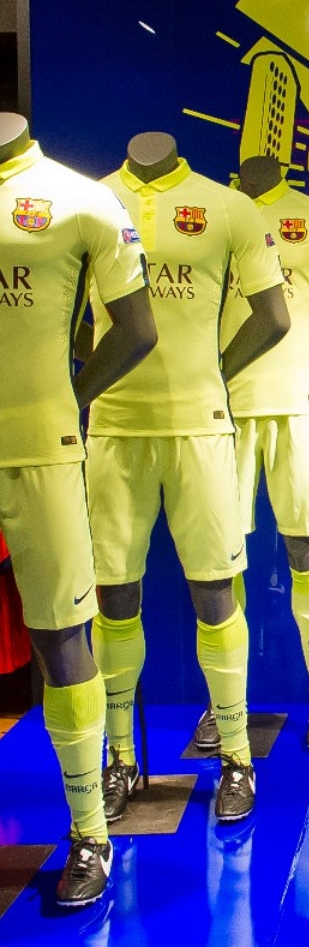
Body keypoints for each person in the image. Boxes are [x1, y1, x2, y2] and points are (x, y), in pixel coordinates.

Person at [88, 133, 289, 826]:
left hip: (197, 428)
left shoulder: (227, 207)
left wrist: (215, 372)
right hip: (116, 427)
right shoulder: (91, 201)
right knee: (117, 594)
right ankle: (121, 758)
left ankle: (235, 757)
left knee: (212, 591)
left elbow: (275, 315)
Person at [0, 112, 157, 905]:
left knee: (64, 639)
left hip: (41, 449)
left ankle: (90, 834)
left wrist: (72, 396)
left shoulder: (79, 199)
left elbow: (138, 328)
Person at [191, 155, 309, 754]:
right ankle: (233, 706)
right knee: (228, 560)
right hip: (226, 406)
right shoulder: (212, 214)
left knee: (298, 549)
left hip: (280, 403)